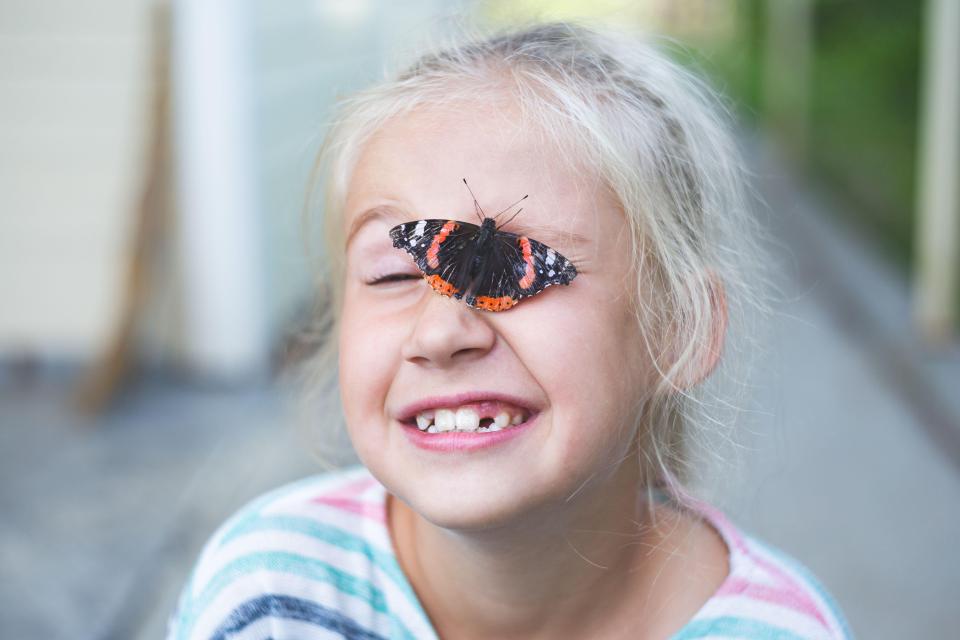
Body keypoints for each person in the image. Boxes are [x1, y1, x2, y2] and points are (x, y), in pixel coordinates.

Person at [166, 21, 854, 640]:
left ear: (676, 329)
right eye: (394, 275)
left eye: (522, 276)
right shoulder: (268, 597)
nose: (441, 332)